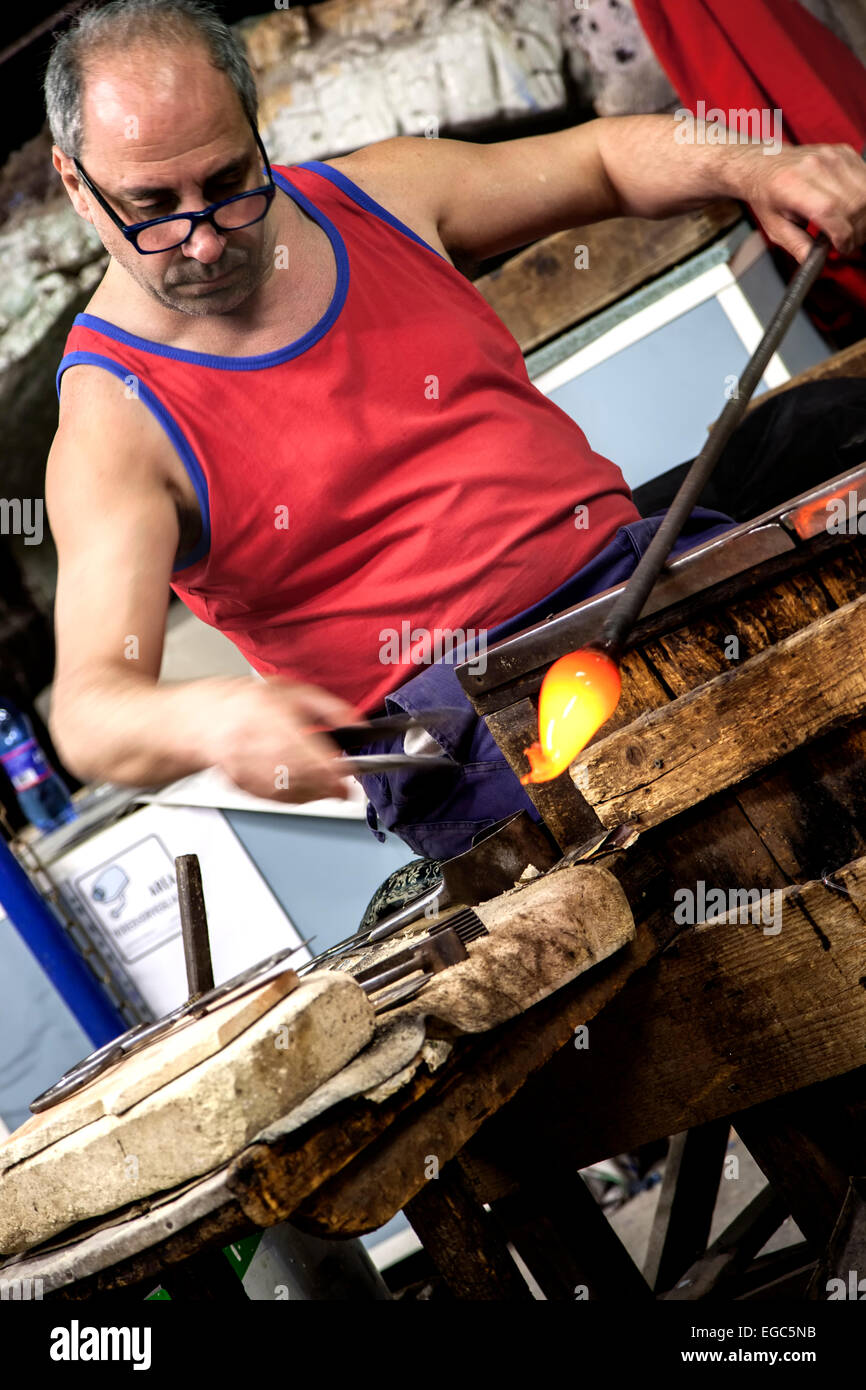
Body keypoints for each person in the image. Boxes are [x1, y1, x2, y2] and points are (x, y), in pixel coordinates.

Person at [44, 0, 866, 861]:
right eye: (152, 205)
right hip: (471, 746)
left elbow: (600, 162)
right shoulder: (115, 427)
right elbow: (91, 711)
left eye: (225, 184)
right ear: (78, 185)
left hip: (639, 581)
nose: (204, 240)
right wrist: (206, 716)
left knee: (827, 431)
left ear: (257, 130)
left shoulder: (381, 195)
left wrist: (759, 165)